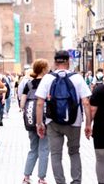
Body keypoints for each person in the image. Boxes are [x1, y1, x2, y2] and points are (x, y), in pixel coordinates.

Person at [35, 50, 92, 184]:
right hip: (74, 122)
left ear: (55, 62)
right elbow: (86, 102)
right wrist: (88, 124)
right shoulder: (77, 78)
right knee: (74, 152)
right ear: (68, 61)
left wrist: (39, 124)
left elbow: (39, 103)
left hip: (52, 122)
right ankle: (76, 181)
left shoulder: (48, 78)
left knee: (55, 155)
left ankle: (60, 182)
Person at [20, 59, 50, 184]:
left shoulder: (29, 84)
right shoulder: (48, 83)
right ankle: (41, 178)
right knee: (44, 149)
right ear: (43, 69)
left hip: (30, 120)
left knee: (33, 148)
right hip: (45, 119)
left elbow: (22, 104)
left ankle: (26, 177)